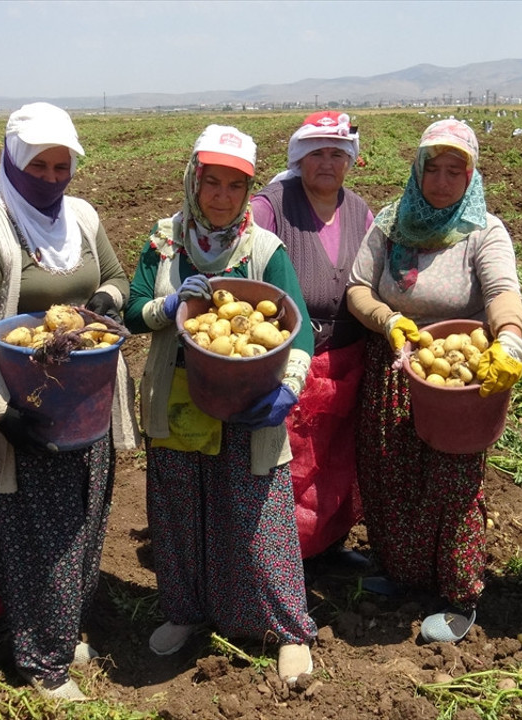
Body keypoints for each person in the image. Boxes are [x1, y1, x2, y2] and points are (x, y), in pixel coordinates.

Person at [0, 103, 133, 701]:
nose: (52, 178)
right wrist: (3, 415)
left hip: (87, 405)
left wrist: (102, 302)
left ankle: (65, 628)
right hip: (22, 410)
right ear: (11, 160)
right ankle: (41, 661)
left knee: (84, 519)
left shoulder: (80, 216)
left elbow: (118, 278)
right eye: (39, 166)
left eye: (62, 166)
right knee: (32, 536)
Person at [123, 124, 318, 685]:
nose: (221, 197)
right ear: (194, 179)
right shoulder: (164, 241)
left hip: (249, 400)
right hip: (178, 398)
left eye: (235, 186)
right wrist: (166, 305)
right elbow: (134, 310)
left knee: (259, 513)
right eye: (212, 182)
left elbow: (297, 329)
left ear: (247, 190)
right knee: (179, 511)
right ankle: (187, 615)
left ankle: (288, 630)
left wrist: (288, 388)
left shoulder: (265, 249)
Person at [346, 118, 522, 644]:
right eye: (434, 168)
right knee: (390, 475)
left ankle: (458, 594)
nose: (443, 181)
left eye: (456, 170)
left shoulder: (483, 231)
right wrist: (387, 321)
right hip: (396, 368)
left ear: (471, 177)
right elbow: (359, 287)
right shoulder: (389, 223)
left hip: (456, 377)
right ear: (417, 170)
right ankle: (403, 577)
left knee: (453, 485)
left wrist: (510, 338)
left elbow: (502, 292)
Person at [249, 111, 374, 564]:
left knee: (335, 460)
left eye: (337, 154)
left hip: (347, 358)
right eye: (316, 153)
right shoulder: (271, 206)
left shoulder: (359, 210)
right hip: (293, 361)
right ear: (298, 157)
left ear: (350, 161)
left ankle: (327, 545)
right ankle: (283, 556)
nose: (327, 163)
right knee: (290, 465)